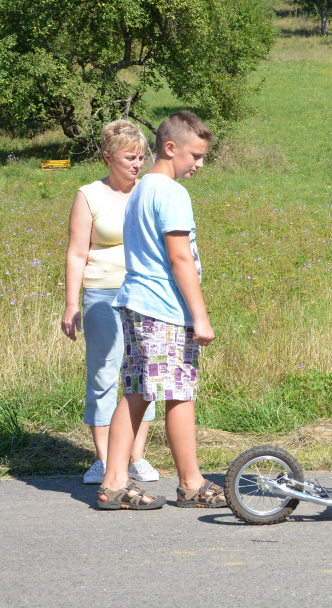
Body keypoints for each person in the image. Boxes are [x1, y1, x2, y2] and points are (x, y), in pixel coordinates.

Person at [96, 111, 222, 510]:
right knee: (179, 394)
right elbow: (180, 257)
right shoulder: (171, 192)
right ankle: (191, 483)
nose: (199, 164)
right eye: (195, 155)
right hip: (164, 308)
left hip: (137, 303)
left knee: (136, 392)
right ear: (170, 148)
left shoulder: (141, 189)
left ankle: (114, 481)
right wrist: (200, 315)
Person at [62, 120, 159, 485]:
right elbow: (76, 253)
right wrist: (71, 304)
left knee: (145, 373)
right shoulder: (89, 195)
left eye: (141, 157)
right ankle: (103, 460)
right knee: (104, 373)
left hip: (145, 295)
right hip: (102, 295)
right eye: (129, 157)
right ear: (107, 157)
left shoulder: (149, 192)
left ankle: (136, 457)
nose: (137, 164)